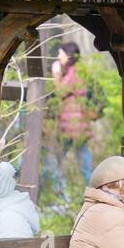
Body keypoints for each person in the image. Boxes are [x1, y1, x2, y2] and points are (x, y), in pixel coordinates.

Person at [44, 42, 97, 196]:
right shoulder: (75, 72)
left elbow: (61, 91)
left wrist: (55, 74)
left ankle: (64, 195)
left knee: (58, 161)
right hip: (75, 127)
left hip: (73, 128)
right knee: (81, 163)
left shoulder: (73, 73)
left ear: (68, 56)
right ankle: (84, 194)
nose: (58, 57)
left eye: (60, 54)